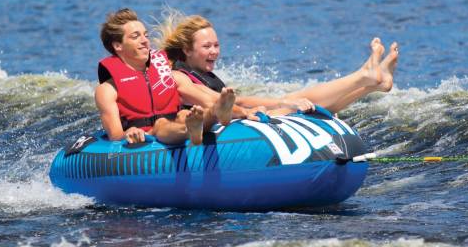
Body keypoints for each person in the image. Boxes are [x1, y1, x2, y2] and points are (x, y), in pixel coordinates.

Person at [154, 10, 399, 115]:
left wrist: (278, 103)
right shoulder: (179, 77)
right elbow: (224, 102)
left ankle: (371, 84)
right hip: (220, 128)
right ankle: (362, 77)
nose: (214, 52)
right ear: (186, 50)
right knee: (299, 103)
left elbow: (236, 99)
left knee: (302, 104)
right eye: (206, 47)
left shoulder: (201, 73)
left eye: (216, 45)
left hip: (235, 119)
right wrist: (276, 104)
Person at [95, 8, 236, 145]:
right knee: (160, 124)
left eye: (146, 35)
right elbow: (115, 135)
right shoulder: (106, 90)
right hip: (148, 134)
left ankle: (213, 114)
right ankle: (190, 130)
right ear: (118, 46)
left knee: (184, 115)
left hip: (177, 124)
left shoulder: (169, 76)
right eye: (135, 36)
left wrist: (246, 111)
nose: (145, 41)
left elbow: (209, 98)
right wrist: (129, 132)